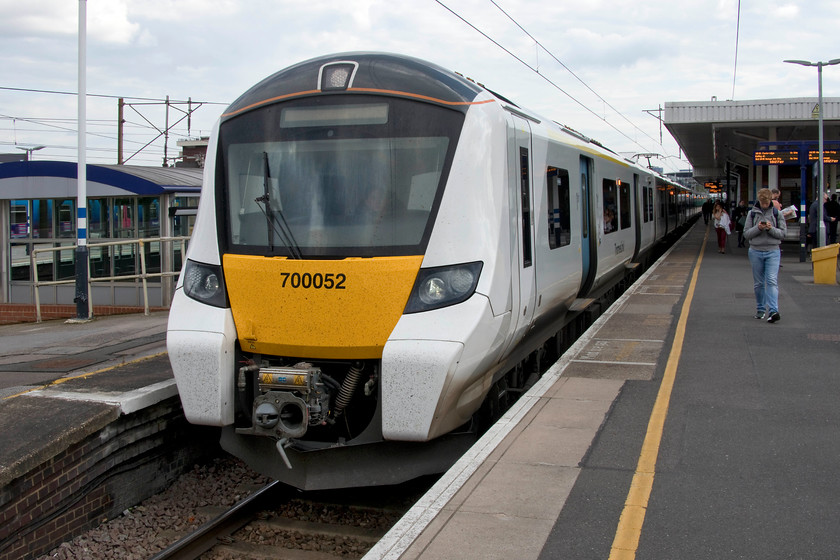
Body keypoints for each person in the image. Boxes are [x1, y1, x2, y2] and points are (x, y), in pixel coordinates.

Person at [743, 188, 787, 323]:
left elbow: (783, 234)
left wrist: (770, 228)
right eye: (762, 203)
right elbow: (746, 234)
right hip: (755, 251)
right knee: (759, 283)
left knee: (772, 280)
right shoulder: (751, 214)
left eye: (766, 203)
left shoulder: (777, 213)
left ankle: (774, 311)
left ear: (770, 201)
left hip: (773, 251)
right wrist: (758, 228)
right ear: (759, 201)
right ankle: (761, 309)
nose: (764, 205)